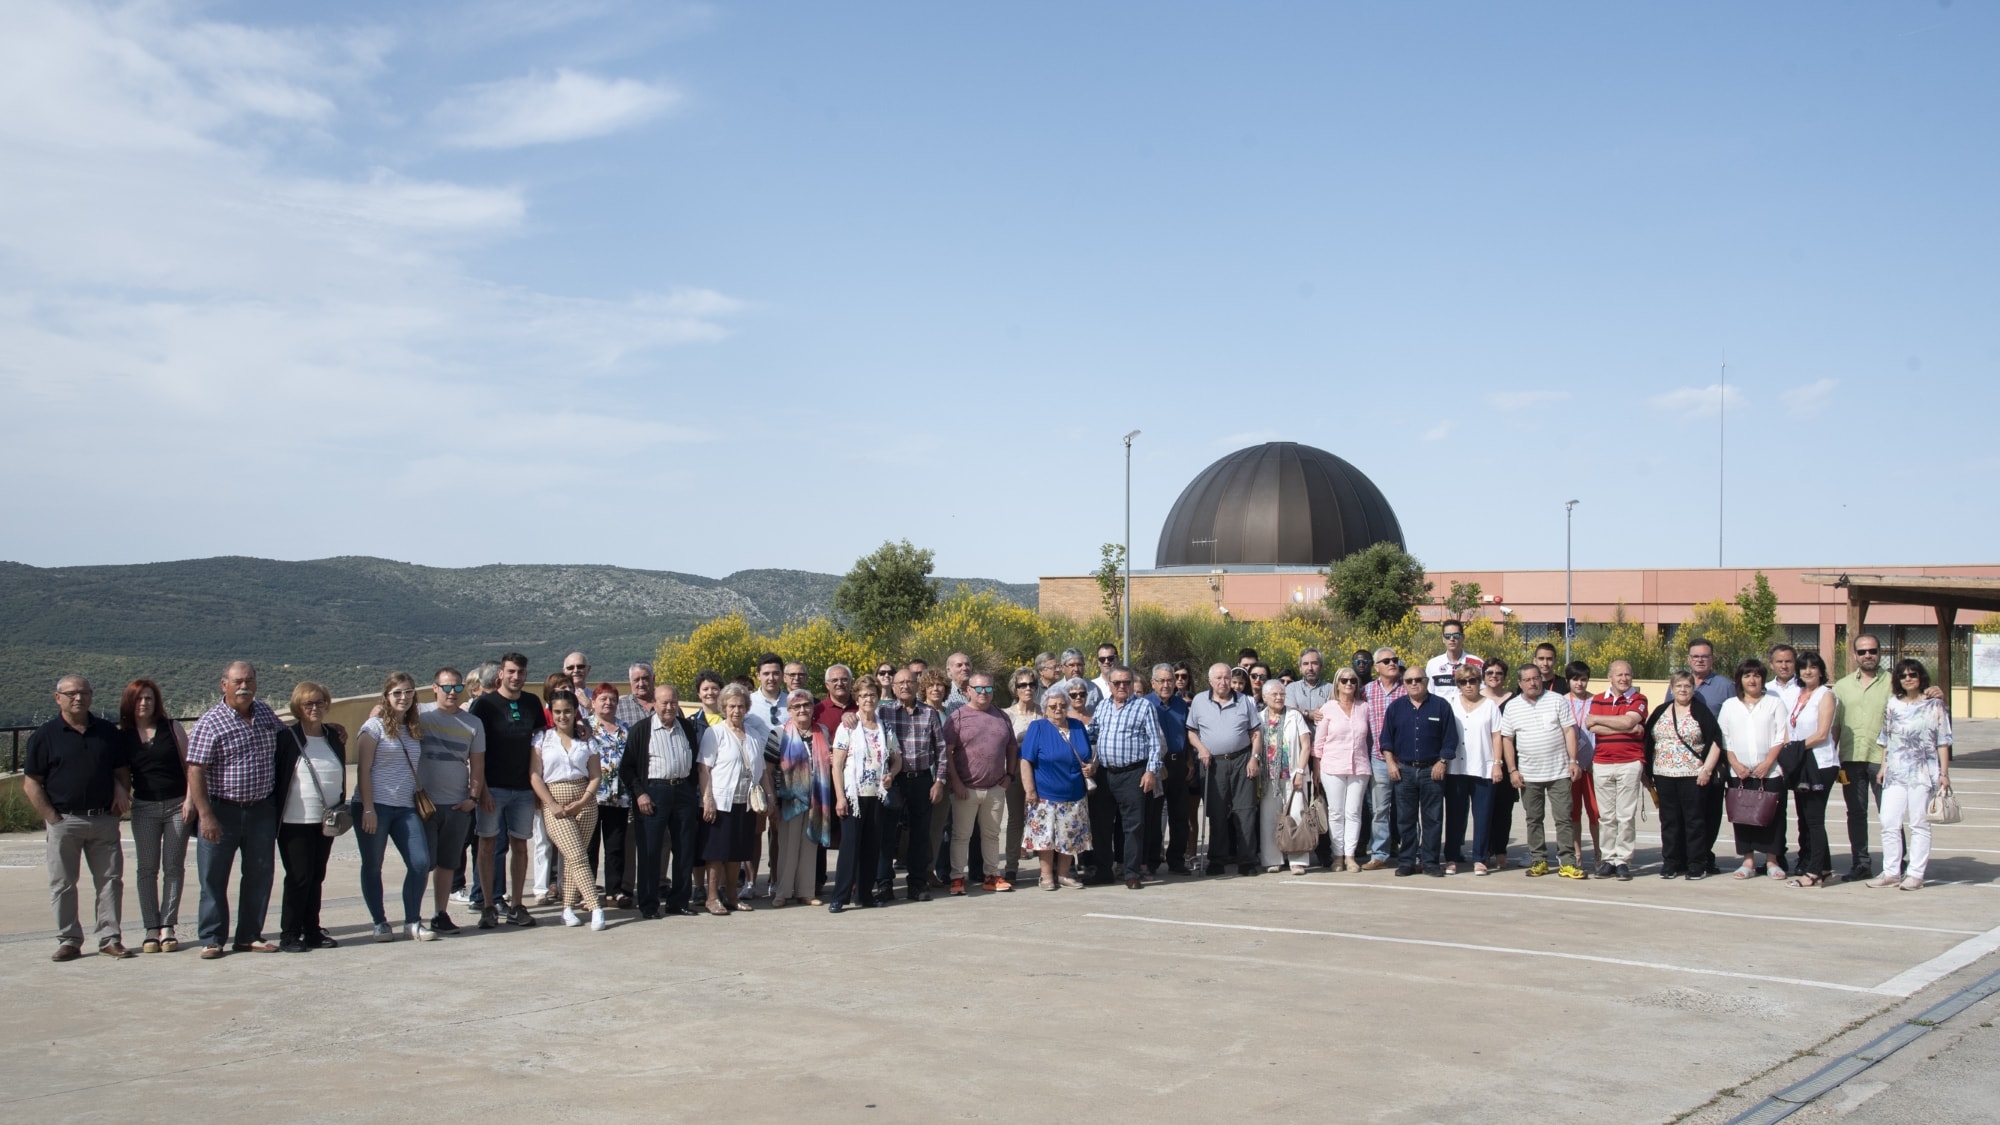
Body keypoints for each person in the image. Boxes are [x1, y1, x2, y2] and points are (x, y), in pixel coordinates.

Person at [23, 675, 133, 961]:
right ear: (57, 697)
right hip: (64, 821)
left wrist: (120, 797)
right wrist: (52, 818)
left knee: (110, 881)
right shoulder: (45, 736)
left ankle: (110, 938)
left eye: (83, 692)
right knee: (63, 884)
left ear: (91, 696)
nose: (78, 698)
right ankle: (69, 940)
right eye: (71, 693)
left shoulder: (108, 733)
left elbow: (121, 771)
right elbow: (31, 782)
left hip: (103, 820)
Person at [185, 661, 284, 958]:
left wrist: (331, 730)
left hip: (261, 810)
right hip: (221, 810)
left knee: (259, 874)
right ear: (224, 684)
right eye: (238, 681)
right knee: (213, 877)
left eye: (250, 680)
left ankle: (249, 935)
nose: (244, 686)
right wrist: (205, 815)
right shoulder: (210, 722)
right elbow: (195, 770)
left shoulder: (265, 712)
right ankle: (212, 937)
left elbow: (291, 736)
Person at [353, 673, 436, 942]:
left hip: (405, 806)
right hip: (374, 805)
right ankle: (379, 922)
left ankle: (412, 921)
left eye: (409, 692)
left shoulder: (413, 728)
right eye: (397, 693)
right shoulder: (373, 727)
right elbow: (363, 770)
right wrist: (367, 809)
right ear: (387, 696)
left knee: (420, 862)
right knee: (373, 864)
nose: (403, 697)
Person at [468, 653, 545, 929]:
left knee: (520, 846)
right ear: (501, 673)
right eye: (511, 671)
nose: (516, 677)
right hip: (493, 788)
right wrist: (482, 790)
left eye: (521, 672)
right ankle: (488, 905)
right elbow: (474, 750)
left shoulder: (532, 703)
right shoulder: (484, 705)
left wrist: (538, 788)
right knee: (487, 844)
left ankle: (516, 905)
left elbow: (540, 746)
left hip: (523, 789)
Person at [620, 682, 705, 919]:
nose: (669, 707)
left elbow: (695, 762)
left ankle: (679, 901)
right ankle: (648, 904)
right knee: (650, 850)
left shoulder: (686, 728)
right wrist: (640, 793)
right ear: (654, 704)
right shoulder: (641, 730)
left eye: (673, 702)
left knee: (685, 848)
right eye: (664, 702)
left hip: (682, 792)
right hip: (653, 793)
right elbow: (627, 768)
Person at [1868, 660, 1952, 891]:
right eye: (1903, 675)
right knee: (1888, 821)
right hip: (1895, 771)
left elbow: (1943, 742)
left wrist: (1943, 773)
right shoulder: (1892, 704)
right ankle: (1891, 871)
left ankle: (1915, 874)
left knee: (1919, 823)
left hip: (1923, 771)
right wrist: (1883, 767)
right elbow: (1886, 738)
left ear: (1920, 676)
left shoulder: (1934, 705)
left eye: (1912, 674)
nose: (1908, 678)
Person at [120, 678, 191, 954]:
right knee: (147, 869)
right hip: (144, 808)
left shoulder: (171, 729)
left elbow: (190, 767)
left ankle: (168, 926)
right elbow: (121, 773)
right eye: (138, 699)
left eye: (148, 698)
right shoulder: (123, 736)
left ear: (156, 702)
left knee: (173, 867)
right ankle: (151, 926)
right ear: (130, 702)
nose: (144, 703)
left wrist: (191, 801)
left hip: (177, 805)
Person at [274, 681, 345, 951]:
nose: (315, 708)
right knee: (298, 877)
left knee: (317, 875)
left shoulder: (334, 736)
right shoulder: (286, 738)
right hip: (295, 820)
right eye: (309, 704)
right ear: (298, 708)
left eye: (320, 702)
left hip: (326, 820)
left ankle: (312, 930)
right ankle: (289, 933)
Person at [1496, 665, 1582, 879]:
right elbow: (1507, 738)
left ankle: (1568, 862)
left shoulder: (1556, 700)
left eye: (1536, 678)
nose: (1533, 683)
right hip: (1528, 774)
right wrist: (1512, 770)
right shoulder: (1513, 706)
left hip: (1559, 772)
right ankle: (1539, 860)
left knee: (1563, 818)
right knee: (1534, 819)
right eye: (1528, 680)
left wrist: (1573, 760)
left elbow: (1569, 730)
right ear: (1520, 683)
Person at [530, 690, 607, 930]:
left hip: (584, 801)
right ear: (551, 713)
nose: (562, 716)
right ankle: (595, 907)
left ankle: (567, 908)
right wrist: (551, 804)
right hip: (555, 802)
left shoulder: (586, 740)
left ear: (575, 713)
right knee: (576, 855)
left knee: (576, 858)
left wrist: (584, 800)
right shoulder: (542, 739)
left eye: (567, 711)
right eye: (557, 712)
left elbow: (596, 775)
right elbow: (535, 775)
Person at [416, 667, 483, 935]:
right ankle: (413, 915)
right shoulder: (420, 714)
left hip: (457, 804)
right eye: (446, 687)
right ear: (434, 688)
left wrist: (473, 798)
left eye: (457, 687)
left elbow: (477, 764)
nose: (452, 692)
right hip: (424, 805)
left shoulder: (472, 723)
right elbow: (385, 713)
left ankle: (440, 914)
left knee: (447, 863)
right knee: (421, 863)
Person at [1084, 667, 1164, 888]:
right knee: (1101, 826)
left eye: (1126, 682)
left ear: (1131, 684)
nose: (1122, 686)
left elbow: (1155, 743)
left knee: (1133, 826)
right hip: (1105, 774)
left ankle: (1131, 872)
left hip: (1133, 774)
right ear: (1109, 685)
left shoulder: (1144, 706)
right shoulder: (1102, 707)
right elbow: (1092, 735)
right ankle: (1103, 871)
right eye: (1117, 683)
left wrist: (1151, 771)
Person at [697, 684, 773, 916]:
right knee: (716, 853)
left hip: (745, 803)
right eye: (731, 706)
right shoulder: (715, 733)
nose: (736, 711)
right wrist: (707, 799)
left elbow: (761, 772)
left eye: (741, 706)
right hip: (721, 802)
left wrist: (769, 798)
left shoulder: (753, 737)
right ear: (724, 707)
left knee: (736, 853)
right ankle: (712, 897)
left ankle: (732, 896)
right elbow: (704, 768)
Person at [944, 672, 1023, 893]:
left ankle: (992, 876)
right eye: (978, 689)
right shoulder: (957, 718)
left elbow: (1011, 747)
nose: (983, 693)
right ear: (968, 690)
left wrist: (1009, 776)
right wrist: (956, 782)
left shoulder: (1001, 716)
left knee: (991, 834)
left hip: (995, 788)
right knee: (961, 836)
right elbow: (947, 753)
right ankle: (957, 878)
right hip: (965, 789)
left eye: (988, 689)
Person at [1643, 673, 1725, 880]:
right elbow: (1647, 740)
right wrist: (1646, 772)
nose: (1682, 690)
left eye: (1687, 686)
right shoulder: (1662, 710)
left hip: (1693, 775)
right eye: (1678, 686)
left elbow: (1716, 740)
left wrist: (1706, 769)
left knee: (1694, 821)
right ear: (1671, 688)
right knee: (1669, 821)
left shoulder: (1700, 711)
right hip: (1663, 774)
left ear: (1693, 689)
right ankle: (1671, 862)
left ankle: (1696, 863)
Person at [1381, 664, 1459, 877]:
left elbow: (1450, 739)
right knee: (1405, 819)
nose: (1414, 684)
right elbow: (1386, 740)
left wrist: (1442, 761)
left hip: (1432, 771)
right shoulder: (1396, 708)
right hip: (1404, 771)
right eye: (1409, 681)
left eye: (1418, 680)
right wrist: (1390, 763)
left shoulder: (1441, 706)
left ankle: (1430, 862)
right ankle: (1406, 861)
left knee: (1432, 818)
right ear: (1404, 684)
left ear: (1426, 681)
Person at [1717, 658, 1790, 881]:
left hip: (1771, 771)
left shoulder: (1774, 703)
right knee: (1743, 815)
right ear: (1740, 679)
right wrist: (1735, 765)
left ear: (1762, 679)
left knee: (1774, 817)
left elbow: (1782, 735)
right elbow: (1724, 737)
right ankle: (1747, 861)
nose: (1752, 679)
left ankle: (1772, 861)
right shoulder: (1730, 705)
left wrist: (1768, 763)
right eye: (1747, 675)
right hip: (1739, 773)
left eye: (1757, 675)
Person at [877, 668, 946, 903]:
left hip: (922, 779)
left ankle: (917, 884)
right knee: (887, 834)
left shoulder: (929, 713)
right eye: (900, 682)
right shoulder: (883, 712)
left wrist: (939, 781)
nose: (905, 686)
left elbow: (942, 750)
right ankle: (884, 884)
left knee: (920, 834)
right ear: (893, 687)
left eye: (910, 681)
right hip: (892, 781)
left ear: (918, 685)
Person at [830, 677, 898, 912]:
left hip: (876, 794)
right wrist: (840, 797)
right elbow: (836, 765)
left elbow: (896, 758)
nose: (868, 699)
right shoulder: (848, 726)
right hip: (853, 795)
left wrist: (891, 773)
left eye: (872, 695)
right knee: (849, 846)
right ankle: (839, 896)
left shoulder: (884, 726)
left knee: (872, 846)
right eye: (864, 695)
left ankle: (865, 894)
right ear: (857, 699)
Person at [1187, 663, 1262, 877]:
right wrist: (1201, 749)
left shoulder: (1244, 701)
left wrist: (1254, 759)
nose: (1223, 682)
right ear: (1210, 681)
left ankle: (1247, 860)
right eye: (1218, 678)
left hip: (1241, 760)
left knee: (1245, 812)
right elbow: (1191, 732)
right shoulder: (1200, 701)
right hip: (1213, 763)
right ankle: (1217, 860)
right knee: (1217, 812)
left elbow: (1256, 732)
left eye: (1227, 678)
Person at [1831, 633, 1891, 882]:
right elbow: (1835, 726)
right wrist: (1831, 761)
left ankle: (1896, 862)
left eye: (1873, 651)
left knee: (1890, 814)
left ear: (1880, 652)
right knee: (1855, 813)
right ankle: (1861, 863)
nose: (1868, 655)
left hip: (1883, 760)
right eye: (1863, 652)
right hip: (1850, 760)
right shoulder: (1842, 687)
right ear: (1854, 655)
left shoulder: (1894, 682)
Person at [1020, 690, 1094, 890]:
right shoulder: (1038, 727)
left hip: (1075, 793)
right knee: (1047, 838)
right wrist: (1030, 790)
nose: (1058, 709)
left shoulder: (1078, 726)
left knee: (1069, 836)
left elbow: (1088, 755)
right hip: (1045, 794)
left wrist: (1090, 767)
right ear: (1045, 709)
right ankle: (1046, 876)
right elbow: (1026, 760)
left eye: (1062, 705)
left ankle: (1063, 875)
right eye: (1053, 706)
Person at [769, 690, 835, 907]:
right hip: (789, 800)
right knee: (788, 846)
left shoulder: (822, 732)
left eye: (806, 705)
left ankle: (806, 891)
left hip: (817, 798)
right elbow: (768, 769)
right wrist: (771, 799)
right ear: (789, 710)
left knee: (810, 844)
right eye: (796, 707)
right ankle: (782, 892)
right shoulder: (779, 733)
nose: (802, 710)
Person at [1586, 660, 1648, 883]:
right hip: (1602, 762)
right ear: (1609, 677)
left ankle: (1623, 860)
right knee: (1606, 816)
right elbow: (1591, 727)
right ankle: (1608, 859)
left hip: (1630, 762)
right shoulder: (1598, 699)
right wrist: (1625, 726)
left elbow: (1627, 721)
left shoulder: (1639, 699)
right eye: (1619, 675)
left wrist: (1605, 721)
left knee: (1625, 815)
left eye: (1628, 675)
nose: (1624, 678)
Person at [1312, 666, 1372, 872]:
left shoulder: (1364, 707)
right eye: (1344, 680)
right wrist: (1316, 770)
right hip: (1332, 766)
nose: (1349, 684)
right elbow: (1318, 744)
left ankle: (1350, 856)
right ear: (1337, 684)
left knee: (1354, 812)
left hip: (1359, 766)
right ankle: (1337, 855)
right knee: (1336, 812)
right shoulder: (1327, 708)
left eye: (1353, 681)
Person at [1787, 653, 1840, 887]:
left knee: (1815, 820)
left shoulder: (1825, 695)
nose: (1808, 671)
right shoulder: (1800, 696)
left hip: (1821, 763)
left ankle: (1814, 871)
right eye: (1803, 668)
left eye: (1813, 667)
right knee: (1807, 819)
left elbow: (1821, 734)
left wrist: (1792, 750)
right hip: (1802, 763)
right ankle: (1826, 869)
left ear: (1821, 671)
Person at [1444, 667, 1499, 876]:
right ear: (1458, 684)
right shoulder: (1450, 703)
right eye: (1464, 681)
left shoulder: (1490, 706)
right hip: (1456, 768)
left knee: (1483, 816)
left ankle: (1480, 858)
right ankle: (1451, 856)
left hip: (1483, 767)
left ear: (1480, 682)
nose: (1469, 685)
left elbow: (1496, 736)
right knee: (1455, 816)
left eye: (1473, 681)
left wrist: (1497, 763)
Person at [1686, 638, 1735, 874]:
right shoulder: (1680, 682)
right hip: (1684, 759)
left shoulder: (1725, 686)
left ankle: (1706, 854)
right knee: (1688, 811)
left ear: (1712, 659)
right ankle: (1690, 855)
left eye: (1704, 656)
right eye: (1695, 656)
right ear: (1689, 659)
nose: (1700, 660)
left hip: (1715, 757)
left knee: (1711, 810)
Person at [1255, 680, 1314, 874]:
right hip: (1268, 777)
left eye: (1282, 694)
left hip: (1293, 775)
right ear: (1264, 697)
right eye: (1275, 694)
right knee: (1269, 818)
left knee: (1296, 815)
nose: (1279, 697)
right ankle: (1273, 859)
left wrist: (1300, 771)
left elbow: (1306, 745)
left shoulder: (1294, 715)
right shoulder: (1259, 718)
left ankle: (1297, 860)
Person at [1360, 647, 1408, 870]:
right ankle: (1379, 853)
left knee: (1407, 808)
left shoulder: (1407, 689)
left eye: (1395, 660)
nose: (1392, 663)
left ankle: (1409, 851)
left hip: (1406, 759)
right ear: (1376, 667)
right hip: (1378, 759)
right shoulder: (1366, 691)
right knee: (1379, 809)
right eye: (1386, 661)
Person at [585, 685, 632, 908]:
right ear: (593, 702)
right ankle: (588, 892)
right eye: (603, 699)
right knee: (589, 847)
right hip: (591, 797)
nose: (608, 703)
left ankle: (614, 891)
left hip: (619, 798)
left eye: (612, 699)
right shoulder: (584, 728)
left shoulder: (626, 730)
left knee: (615, 847)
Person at [1146, 663, 1194, 876]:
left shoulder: (1181, 705)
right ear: (1153, 683)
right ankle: (1152, 860)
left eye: (1170, 681)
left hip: (1178, 763)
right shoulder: (1144, 704)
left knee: (1180, 815)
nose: (1166, 685)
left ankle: (1176, 860)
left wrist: (1189, 761)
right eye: (1162, 681)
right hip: (1156, 764)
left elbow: (1188, 734)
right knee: (1154, 816)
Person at [1563, 661, 1603, 874]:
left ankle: (1598, 853)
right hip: (1570, 765)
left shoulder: (1597, 701)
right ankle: (1577, 852)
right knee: (1573, 812)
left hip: (1594, 764)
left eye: (1583, 679)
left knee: (1595, 811)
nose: (1579, 683)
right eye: (1575, 679)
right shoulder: (1561, 701)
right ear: (1568, 680)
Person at [1003, 666, 1041, 879]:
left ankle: (1048, 867)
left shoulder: (1043, 712)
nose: (1028, 688)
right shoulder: (1007, 715)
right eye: (1022, 685)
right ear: (1015, 689)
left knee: (1042, 820)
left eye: (1031, 684)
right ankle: (1011, 867)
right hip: (1016, 775)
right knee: (1016, 820)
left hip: (1041, 776)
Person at [1481, 659, 1518, 870]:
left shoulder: (1513, 699)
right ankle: (1484, 850)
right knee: (1484, 809)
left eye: (1499, 673)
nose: (1494, 676)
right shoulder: (1476, 698)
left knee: (1504, 810)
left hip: (1507, 762)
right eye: (1490, 672)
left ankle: (1501, 851)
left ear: (1505, 676)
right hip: (1481, 762)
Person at [1425, 620, 1484, 696]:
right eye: (1447, 636)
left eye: (1456, 635)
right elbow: (1429, 693)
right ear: (1443, 639)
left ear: (1462, 637)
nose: (1452, 639)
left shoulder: (1477, 663)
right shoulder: (1433, 664)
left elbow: (1483, 691)